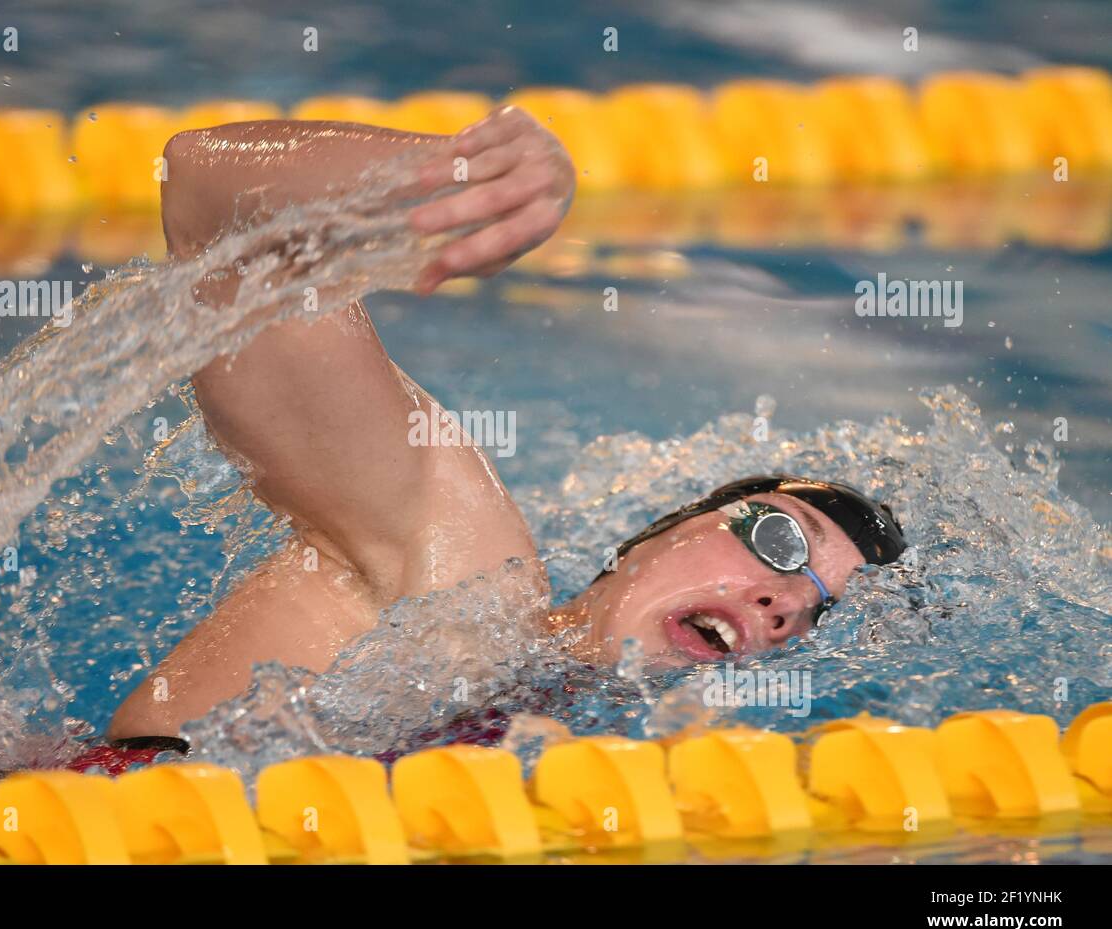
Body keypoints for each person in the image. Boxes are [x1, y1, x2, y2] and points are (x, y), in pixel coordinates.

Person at [107, 107, 906, 743]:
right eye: (779, 540)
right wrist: (458, 173)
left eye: (819, 610)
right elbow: (210, 193)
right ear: (660, 533)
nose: (783, 605)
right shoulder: (452, 564)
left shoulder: (624, 766)